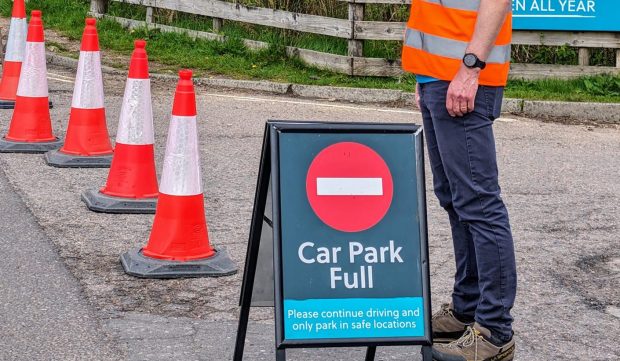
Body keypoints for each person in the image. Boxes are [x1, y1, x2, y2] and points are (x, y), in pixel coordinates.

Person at [401, 1, 517, 360]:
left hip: (463, 76)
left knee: (480, 204)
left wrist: (470, 68)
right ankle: (467, 308)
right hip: (437, 77)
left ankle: (495, 331)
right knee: (455, 198)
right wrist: (424, 76)